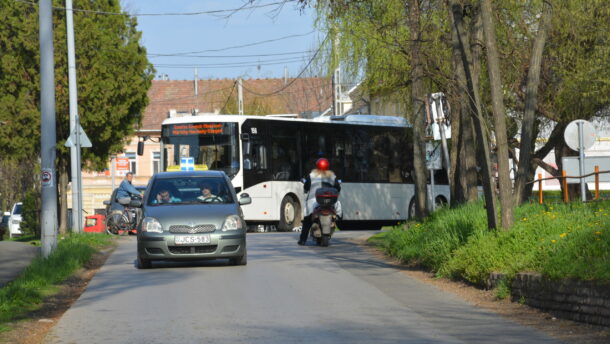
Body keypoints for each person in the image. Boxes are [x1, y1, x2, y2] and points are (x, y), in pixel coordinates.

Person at [298, 157, 341, 245]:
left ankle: (302, 240)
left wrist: (306, 189)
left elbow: (306, 187)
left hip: (314, 200)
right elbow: (338, 187)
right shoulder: (332, 176)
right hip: (330, 200)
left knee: (307, 220)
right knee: (338, 210)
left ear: (317, 166)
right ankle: (336, 220)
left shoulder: (311, 175)